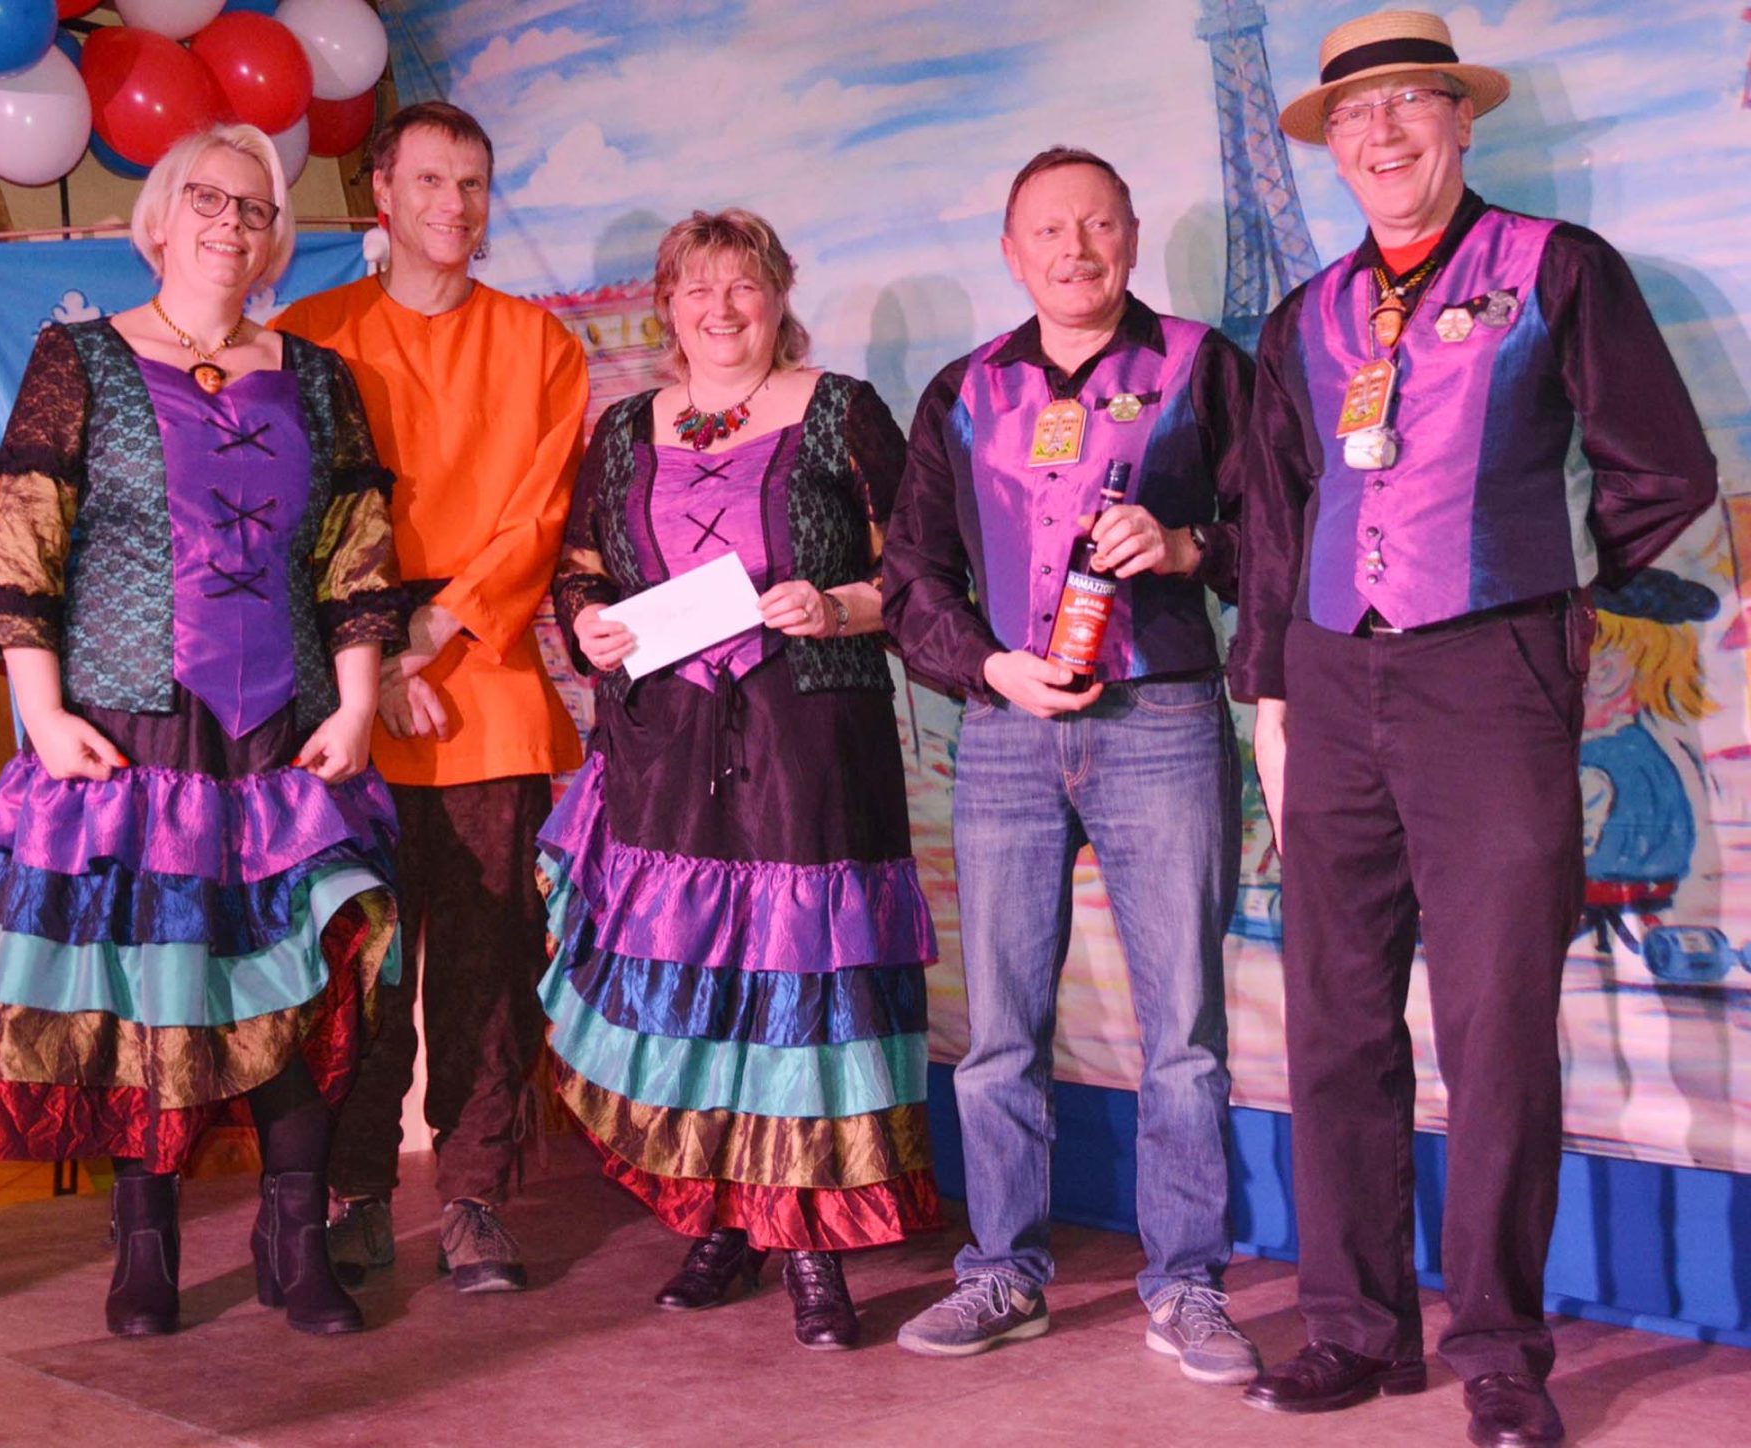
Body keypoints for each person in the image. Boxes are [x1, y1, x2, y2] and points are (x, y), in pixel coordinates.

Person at [1230, 12, 1718, 1445]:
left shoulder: (1557, 268)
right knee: (1333, 1016)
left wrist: (1546, 589)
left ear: (1459, 118)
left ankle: (1501, 1345)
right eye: (1354, 116)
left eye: (1408, 105)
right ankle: (1352, 1324)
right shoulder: (1302, 317)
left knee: (1497, 1025)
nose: (1381, 135)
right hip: (1330, 679)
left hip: (1489, 677)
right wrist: (1271, 696)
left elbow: (1663, 469)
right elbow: (1277, 523)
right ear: (1333, 149)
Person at [0, 124, 406, 1337]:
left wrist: (357, 700)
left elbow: (355, 554)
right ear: (158, 220)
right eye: (207, 198)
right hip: (128, 734)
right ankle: (145, 1243)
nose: (231, 222)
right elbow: (23, 539)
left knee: (294, 980)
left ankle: (294, 1239)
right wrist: (42, 710)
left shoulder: (318, 376)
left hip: (284, 741)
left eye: (255, 206)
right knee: (146, 993)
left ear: (275, 238)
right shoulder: (79, 359)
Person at [884, 147, 1257, 1380]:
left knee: (1183, 1029)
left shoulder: (1203, 366)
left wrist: (1190, 545)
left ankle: (1189, 1282)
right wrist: (991, 668)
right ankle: (1002, 1269)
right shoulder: (963, 390)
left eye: (1098, 225)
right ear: (1011, 251)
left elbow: (1285, 529)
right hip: (1005, 731)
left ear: (1132, 236)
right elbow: (913, 579)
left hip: (1165, 718)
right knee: (1001, 1028)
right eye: (1049, 230)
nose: (1076, 249)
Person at [540, 208, 938, 1351]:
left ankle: (808, 1237)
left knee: (798, 987)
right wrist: (591, 625)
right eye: (697, 288)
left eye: (743, 285)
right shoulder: (624, 428)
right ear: (667, 306)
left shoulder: (841, 409)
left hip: (808, 746)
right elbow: (581, 569)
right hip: (668, 751)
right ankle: (723, 1215)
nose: (721, 308)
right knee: (703, 983)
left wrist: (839, 604)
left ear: (779, 294)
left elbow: (918, 570)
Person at [276, 102, 590, 1293]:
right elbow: (289, 518)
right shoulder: (307, 335)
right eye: (428, 181)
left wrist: (430, 635)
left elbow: (540, 517)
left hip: (482, 682)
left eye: (472, 183)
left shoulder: (539, 343)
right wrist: (374, 652)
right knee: (359, 963)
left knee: (487, 965)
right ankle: (353, 1191)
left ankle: (473, 1195)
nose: (452, 205)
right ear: (381, 192)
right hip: (343, 692)